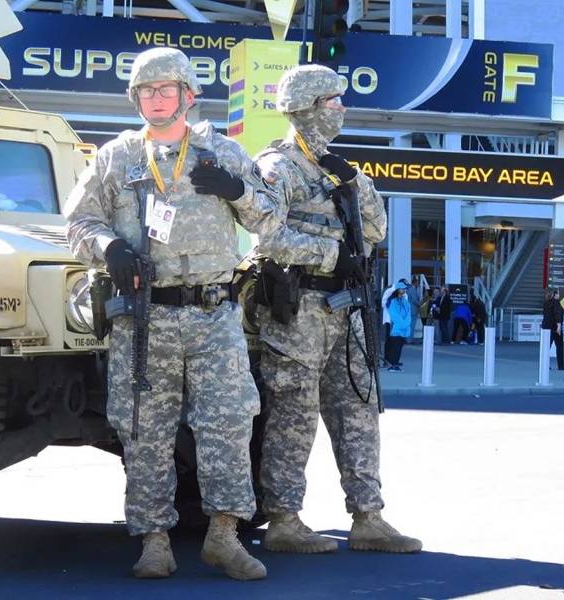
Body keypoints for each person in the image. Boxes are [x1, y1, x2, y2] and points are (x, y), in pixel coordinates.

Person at [64, 48, 280, 581]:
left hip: (213, 314)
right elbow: (78, 222)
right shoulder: (116, 158)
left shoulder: (222, 153)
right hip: (145, 317)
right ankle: (153, 540)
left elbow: (270, 216)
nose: (156, 99)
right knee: (144, 429)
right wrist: (109, 246)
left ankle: (224, 535)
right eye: (146, 90)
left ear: (188, 95)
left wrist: (238, 190)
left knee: (228, 422)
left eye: (166, 90)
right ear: (134, 98)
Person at [252, 64, 421, 555]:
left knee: (358, 410)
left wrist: (354, 184)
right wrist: (331, 253)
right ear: (306, 107)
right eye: (333, 101)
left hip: (346, 308)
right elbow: (268, 236)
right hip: (299, 306)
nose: (341, 109)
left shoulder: (340, 168)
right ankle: (284, 520)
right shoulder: (277, 167)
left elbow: (377, 229)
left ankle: (368, 517)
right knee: (294, 414)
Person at [385, 282, 412, 371]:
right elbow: (394, 315)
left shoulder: (405, 301)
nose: (404, 290)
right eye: (402, 288)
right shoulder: (392, 301)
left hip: (404, 329)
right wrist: (403, 323)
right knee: (395, 347)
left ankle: (395, 364)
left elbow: (408, 313)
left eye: (405, 289)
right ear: (398, 289)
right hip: (396, 328)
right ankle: (392, 365)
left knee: (399, 347)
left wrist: (406, 323)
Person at [542, 289, 564, 370]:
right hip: (555, 327)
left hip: (546, 327)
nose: (559, 295)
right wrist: (559, 326)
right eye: (558, 294)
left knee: (546, 347)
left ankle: (545, 364)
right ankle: (561, 366)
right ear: (555, 295)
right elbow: (557, 314)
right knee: (559, 346)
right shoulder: (556, 303)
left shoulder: (546, 303)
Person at [405, 276, 421, 344]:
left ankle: (408, 339)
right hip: (412, 311)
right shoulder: (412, 289)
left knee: (409, 326)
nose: (418, 284)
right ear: (415, 282)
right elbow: (415, 300)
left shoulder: (408, 289)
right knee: (411, 326)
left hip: (409, 310)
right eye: (418, 282)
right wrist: (421, 304)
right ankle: (409, 340)